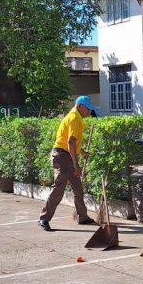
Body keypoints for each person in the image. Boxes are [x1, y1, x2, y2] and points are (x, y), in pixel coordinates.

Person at [39, 95, 97, 231]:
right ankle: (44, 218)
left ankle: (82, 217)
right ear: (79, 106)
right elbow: (70, 142)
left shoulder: (76, 117)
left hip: (66, 155)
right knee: (59, 188)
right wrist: (76, 165)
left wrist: (82, 151)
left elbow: (72, 142)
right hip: (62, 156)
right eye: (87, 109)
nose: (89, 111)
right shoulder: (74, 118)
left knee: (78, 188)